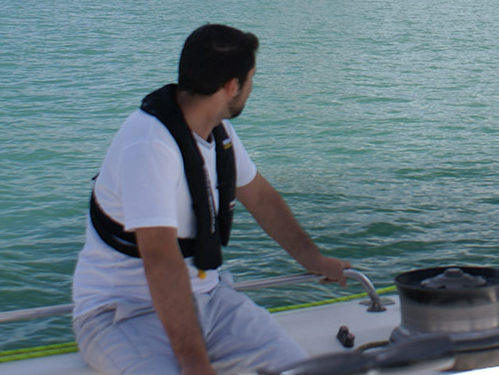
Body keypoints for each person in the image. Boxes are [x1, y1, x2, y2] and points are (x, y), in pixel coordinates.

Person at [71, 24, 350, 375]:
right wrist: (196, 365)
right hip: (123, 313)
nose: (251, 88)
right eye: (251, 78)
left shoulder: (217, 132)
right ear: (233, 86)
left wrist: (314, 259)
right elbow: (160, 259)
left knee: (297, 369)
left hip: (209, 300)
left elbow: (261, 198)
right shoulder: (150, 145)